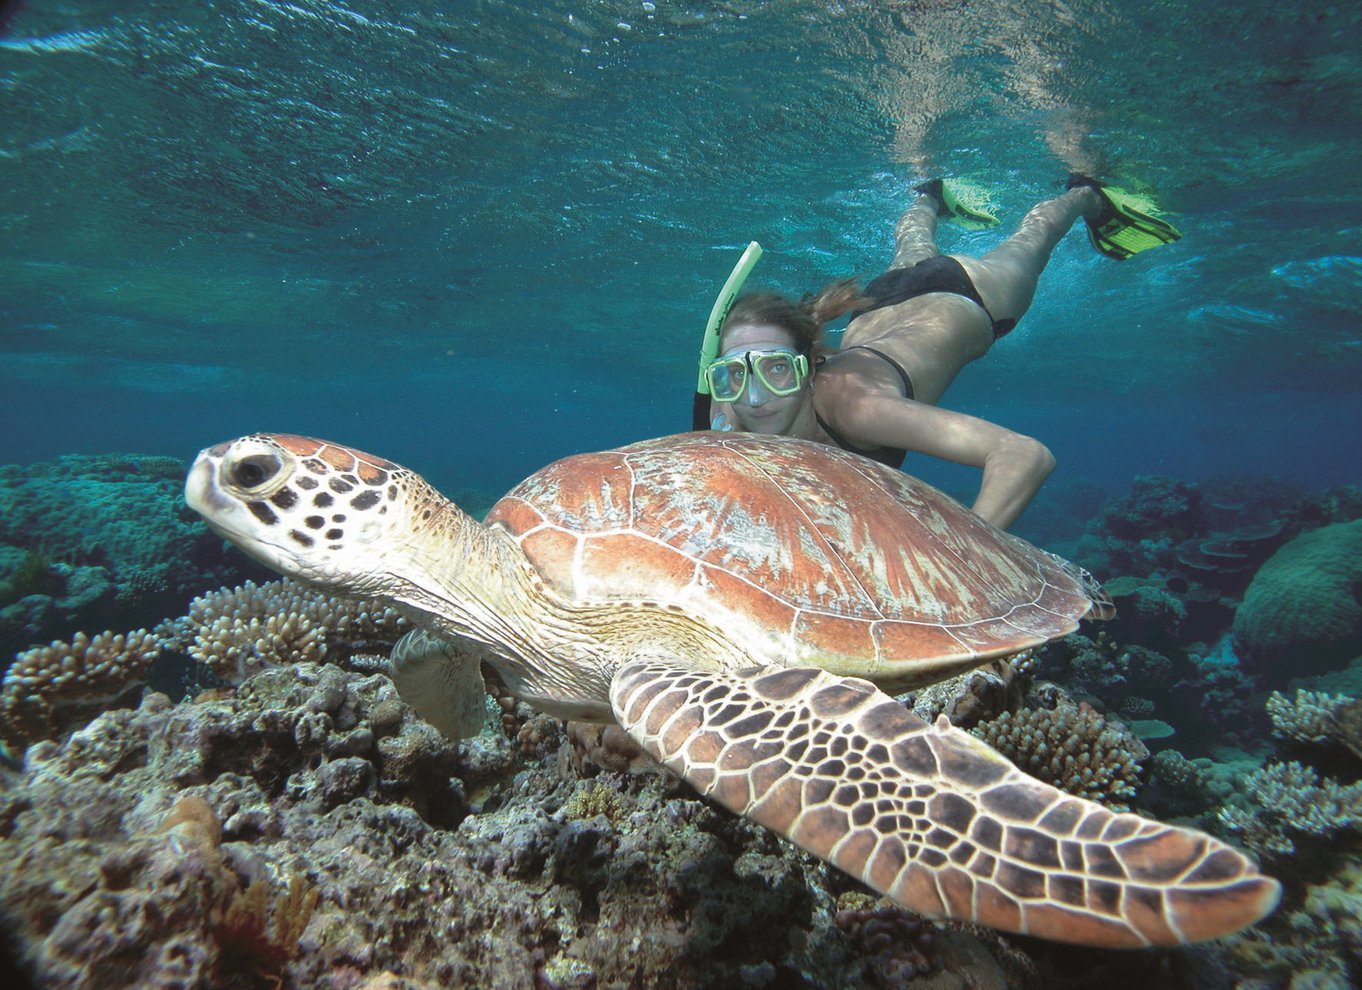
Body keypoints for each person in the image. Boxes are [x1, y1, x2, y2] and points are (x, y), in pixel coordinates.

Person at [699, 174, 1181, 530]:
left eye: (777, 370)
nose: (756, 399)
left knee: (1035, 237)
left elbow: (1024, 455)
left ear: (810, 368)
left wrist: (970, 556)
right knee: (911, 239)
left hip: (969, 295)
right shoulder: (733, 405)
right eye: (734, 376)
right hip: (882, 301)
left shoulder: (859, 409)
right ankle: (929, 193)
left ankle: (1085, 192)